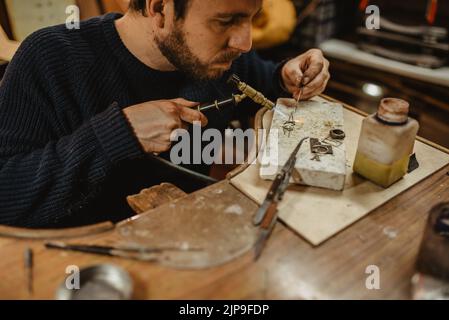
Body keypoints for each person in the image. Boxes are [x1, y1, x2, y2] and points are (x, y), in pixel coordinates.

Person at [0, 0, 330, 228]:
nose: (245, 42)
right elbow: (7, 195)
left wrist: (287, 76)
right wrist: (118, 134)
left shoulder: (218, 56)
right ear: (160, 8)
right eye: (226, 21)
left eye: (250, 18)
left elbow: (263, 80)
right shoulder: (50, 57)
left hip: (188, 240)